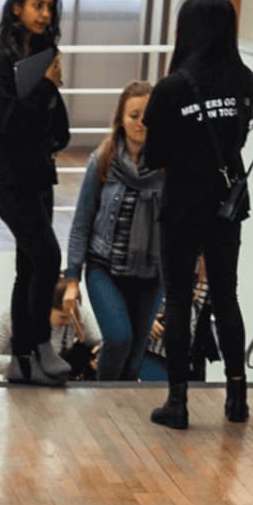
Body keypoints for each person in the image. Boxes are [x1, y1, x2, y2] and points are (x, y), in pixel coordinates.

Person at [142, 0, 253, 429]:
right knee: (226, 296)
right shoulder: (243, 81)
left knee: (176, 298)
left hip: (183, 205)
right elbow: (238, 137)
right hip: (226, 205)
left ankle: (177, 402)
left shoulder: (172, 88)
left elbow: (153, 156)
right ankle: (237, 396)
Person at [0, 0, 72, 386]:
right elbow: (7, 122)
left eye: (49, 6)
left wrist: (51, 91)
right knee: (48, 258)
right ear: (17, 7)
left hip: (39, 175)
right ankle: (39, 345)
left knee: (27, 267)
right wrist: (45, 87)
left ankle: (21, 361)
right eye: (37, 4)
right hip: (11, 180)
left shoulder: (43, 55)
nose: (45, 13)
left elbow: (59, 127)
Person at [62, 82, 167, 382]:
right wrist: (72, 278)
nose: (140, 123)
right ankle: (101, 403)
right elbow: (81, 223)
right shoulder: (103, 160)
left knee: (134, 357)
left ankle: (118, 420)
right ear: (121, 118)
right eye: (133, 115)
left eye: (147, 116)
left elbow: (179, 220)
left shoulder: (167, 166)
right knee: (119, 337)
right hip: (104, 268)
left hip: (151, 274)